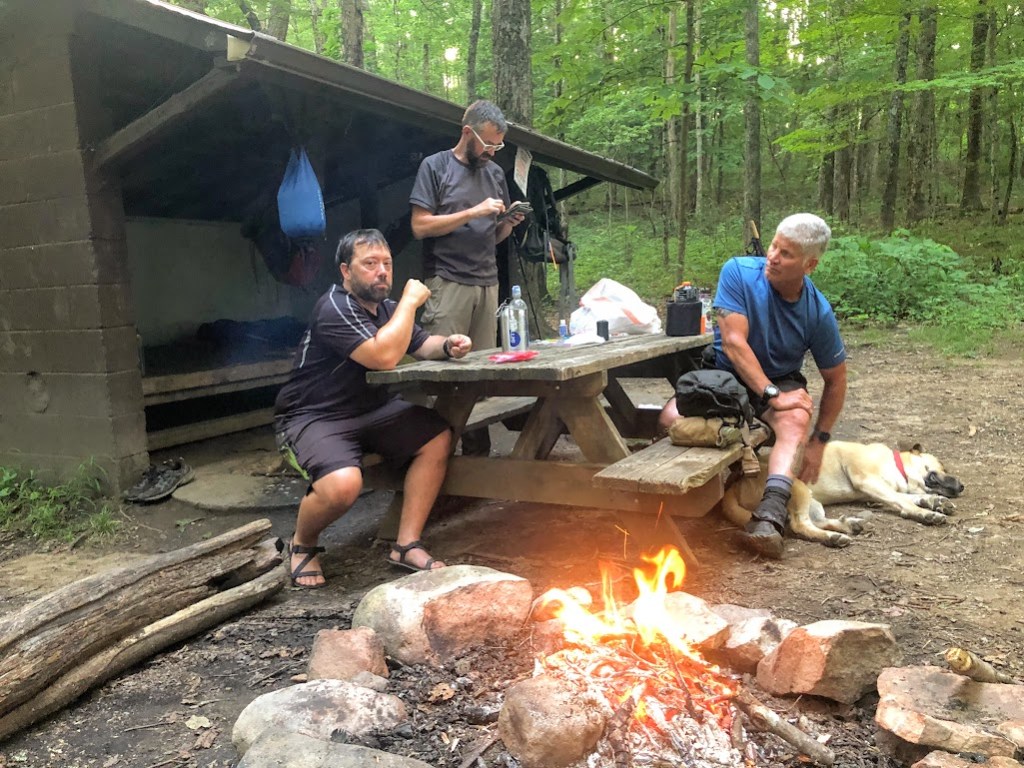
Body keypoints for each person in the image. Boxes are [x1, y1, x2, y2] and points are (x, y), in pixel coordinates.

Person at [273, 228, 472, 588]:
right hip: (314, 415)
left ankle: (406, 544)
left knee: (437, 436)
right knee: (343, 486)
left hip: (373, 411)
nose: (382, 271)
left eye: (387, 264)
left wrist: (448, 345)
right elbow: (382, 356)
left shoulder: (389, 310)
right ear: (346, 271)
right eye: (370, 264)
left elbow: (422, 343)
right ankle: (302, 543)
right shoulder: (334, 307)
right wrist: (411, 303)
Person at [659, 213, 847, 558]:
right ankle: (734, 455)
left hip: (781, 377)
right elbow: (733, 343)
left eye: (786, 253)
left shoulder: (817, 312)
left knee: (796, 419)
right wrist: (771, 396)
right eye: (774, 245)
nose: (773, 256)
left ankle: (770, 516)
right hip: (726, 376)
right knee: (670, 417)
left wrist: (819, 441)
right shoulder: (738, 272)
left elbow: (836, 379)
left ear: (810, 265)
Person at [408, 99, 527, 456]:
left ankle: (477, 457)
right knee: (445, 374)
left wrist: (508, 223)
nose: (492, 151)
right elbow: (419, 226)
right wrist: (473, 210)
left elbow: (492, 236)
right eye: (488, 143)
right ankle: (433, 456)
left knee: (482, 377)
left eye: (498, 145)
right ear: (467, 133)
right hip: (448, 280)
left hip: (487, 282)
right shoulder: (436, 166)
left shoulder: (493, 174)